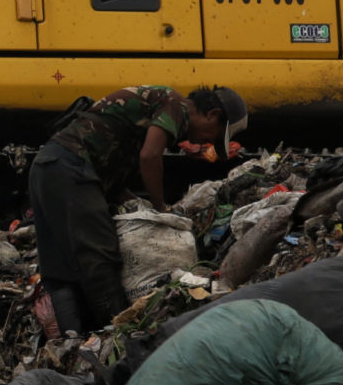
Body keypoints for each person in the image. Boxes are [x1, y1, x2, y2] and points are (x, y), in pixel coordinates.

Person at [30, 84, 247, 334]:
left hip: (48, 167)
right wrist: (160, 209)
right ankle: (118, 332)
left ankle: (74, 341)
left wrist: (136, 204)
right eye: (215, 135)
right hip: (71, 168)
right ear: (212, 114)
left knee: (61, 270)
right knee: (100, 256)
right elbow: (149, 157)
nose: (207, 142)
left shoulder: (150, 115)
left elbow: (114, 163)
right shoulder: (176, 105)